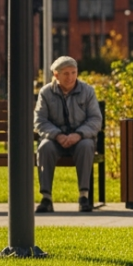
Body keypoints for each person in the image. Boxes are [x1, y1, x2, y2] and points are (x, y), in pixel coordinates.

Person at [34, 56, 103, 213]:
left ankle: (84, 197)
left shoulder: (87, 91)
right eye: (66, 73)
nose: (70, 77)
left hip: (80, 139)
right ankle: (46, 198)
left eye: (73, 72)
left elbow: (95, 119)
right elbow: (39, 120)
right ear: (56, 75)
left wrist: (78, 134)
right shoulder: (46, 93)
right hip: (54, 139)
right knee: (45, 147)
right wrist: (57, 135)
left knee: (86, 146)